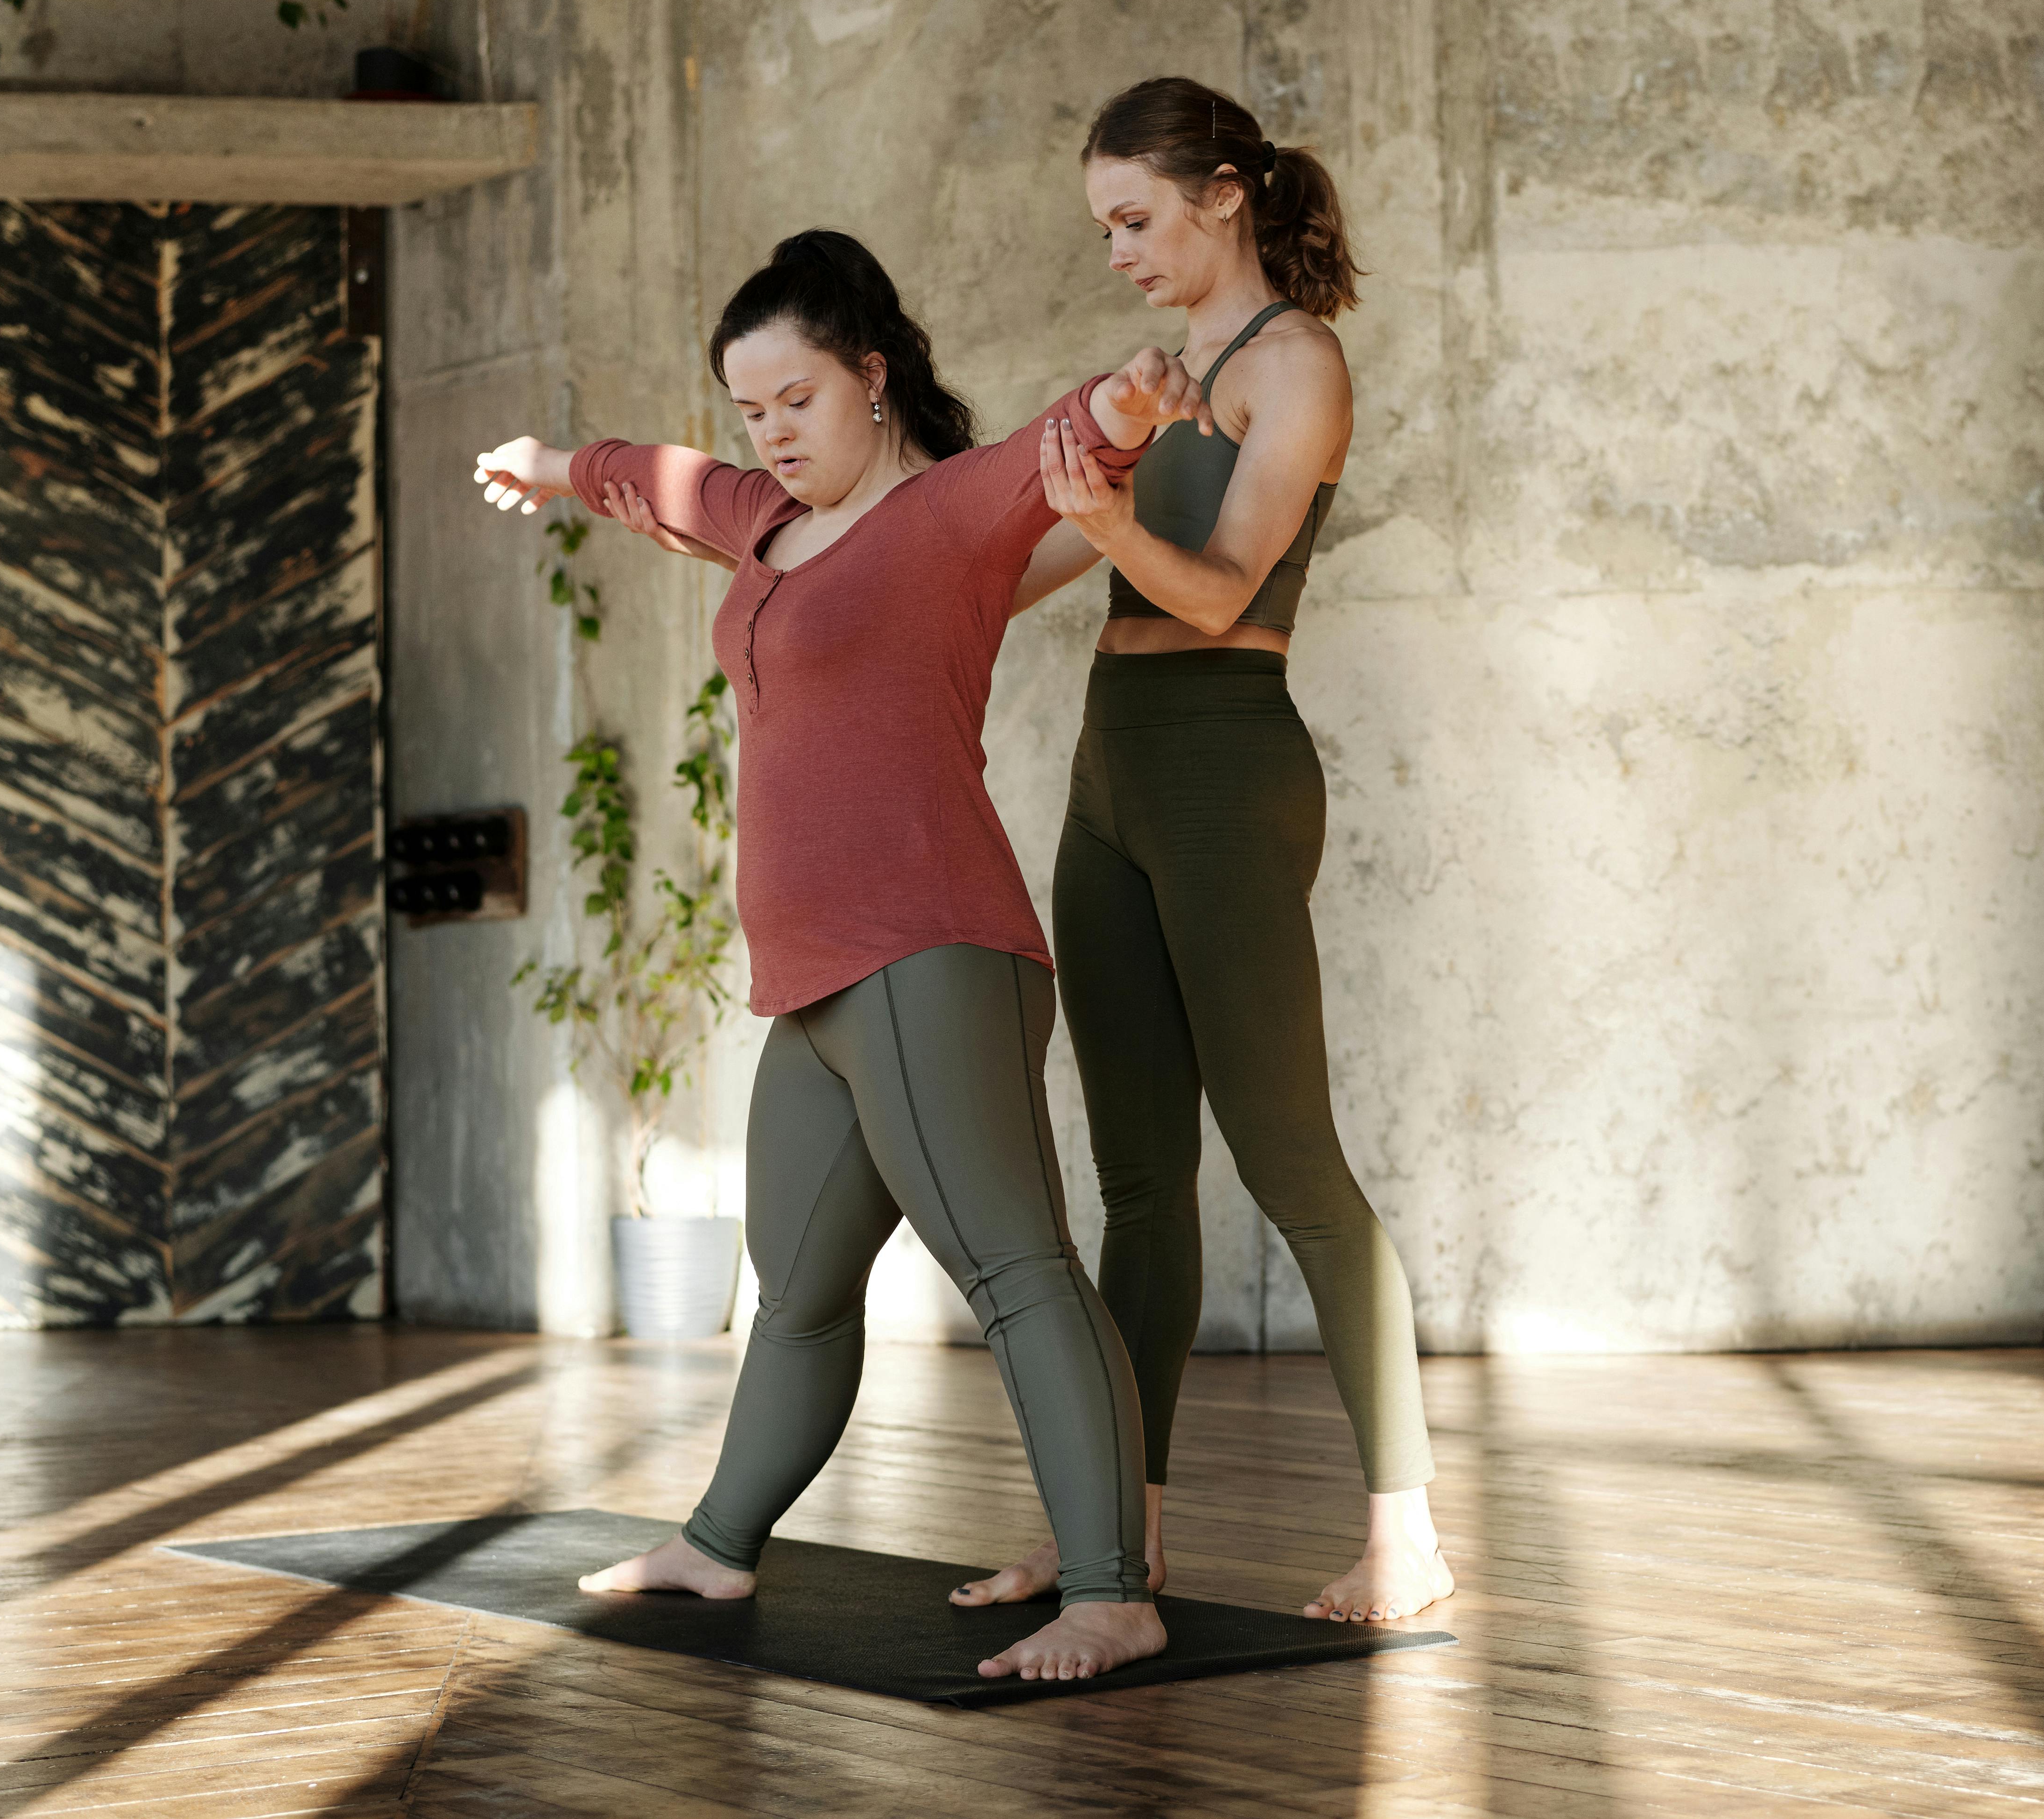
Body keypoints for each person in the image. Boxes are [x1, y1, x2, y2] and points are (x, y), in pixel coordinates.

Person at [606, 83, 1448, 1625]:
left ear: (1223, 197)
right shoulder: (1163, 375)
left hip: (1224, 767)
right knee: (1136, 1182)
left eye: (1136, 218)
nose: (1119, 249)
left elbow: (1214, 591)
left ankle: (1405, 1523)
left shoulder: (1296, 365)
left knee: (1290, 1165)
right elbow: (1000, 558)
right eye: (1104, 226)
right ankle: (1112, 1526)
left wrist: (1096, 514)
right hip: (1112, 772)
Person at [470, 228, 1208, 1684]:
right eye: (752, 409)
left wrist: (1132, 402)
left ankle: (1116, 1589)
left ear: (871, 377)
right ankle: (719, 1537)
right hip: (809, 985)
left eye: (796, 399)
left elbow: (1068, 442)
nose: (771, 433)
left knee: (1015, 1270)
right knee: (796, 1290)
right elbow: (661, 482)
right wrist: (553, 464)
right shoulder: (762, 522)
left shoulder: (940, 517)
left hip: (932, 951)